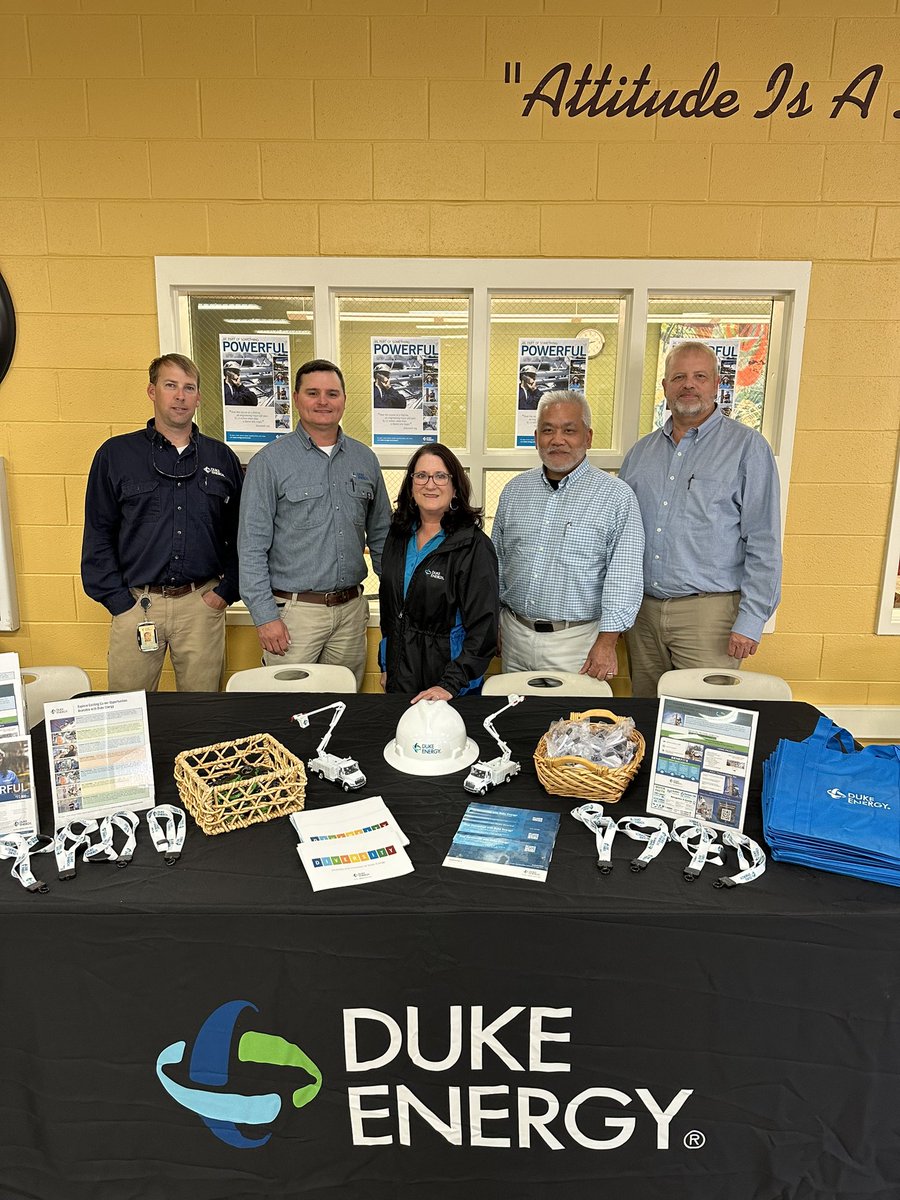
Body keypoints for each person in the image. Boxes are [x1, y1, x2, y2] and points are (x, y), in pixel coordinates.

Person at [618, 340, 782, 696]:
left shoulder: (747, 448)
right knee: (646, 714)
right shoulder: (640, 454)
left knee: (702, 726)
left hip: (710, 617)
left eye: (699, 376)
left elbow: (764, 541)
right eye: (678, 376)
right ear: (664, 387)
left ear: (716, 383)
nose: (688, 385)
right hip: (642, 614)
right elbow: (620, 536)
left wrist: (752, 620)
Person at [81, 354, 243, 692]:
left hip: (201, 605)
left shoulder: (221, 457)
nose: (180, 396)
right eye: (170, 386)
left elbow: (241, 535)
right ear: (152, 391)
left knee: (203, 715)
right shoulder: (116, 455)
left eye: (189, 388)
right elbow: (99, 533)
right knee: (129, 714)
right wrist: (118, 602)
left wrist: (224, 594)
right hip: (137, 606)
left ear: (199, 397)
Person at [238, 358, 391, 689]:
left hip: (351, 612)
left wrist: (397, 599)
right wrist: (265, 617)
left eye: (332, 393)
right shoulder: (269, 462)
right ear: (296, 398)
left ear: (344, 400)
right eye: (313, 393)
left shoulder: (365, 460)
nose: (323, 401)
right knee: (288, 710)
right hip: (293, 616)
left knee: (344, 708)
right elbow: (251, 547)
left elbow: (382, 538)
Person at [492, 391, 644, 681]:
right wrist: (494, 623)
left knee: (574, 724)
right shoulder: (514, 492)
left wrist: (607, 642)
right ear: (537, 437)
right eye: (548, 430)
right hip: (514, 635)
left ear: (587, 437)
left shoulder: (616, 496)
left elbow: (624, 577)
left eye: (569, 430)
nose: (557, 439)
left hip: (577, 643)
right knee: (514, 721)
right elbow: (496, 563)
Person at [379, 444, 499, 703]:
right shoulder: (398, 535)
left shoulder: (474, 545)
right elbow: (390, 607)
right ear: (411, 486)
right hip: (401, 677)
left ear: (455, 487)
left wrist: (450, 684)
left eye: (440, 476)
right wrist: (386, 663)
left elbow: (484, 628)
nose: (430, 484)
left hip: (450, 684)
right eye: (421, 475)